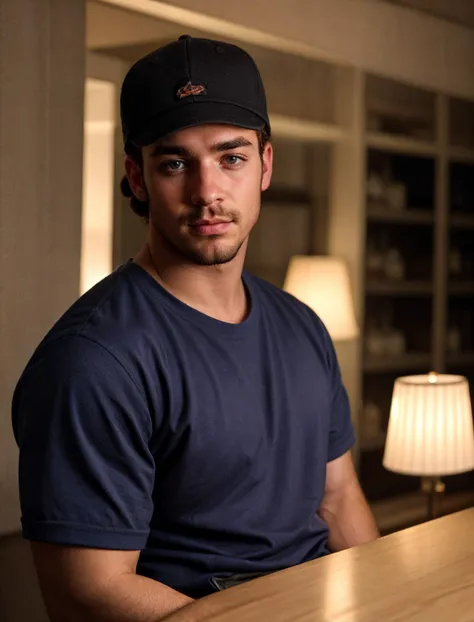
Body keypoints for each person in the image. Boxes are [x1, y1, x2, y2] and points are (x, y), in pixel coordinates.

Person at [12, 35, 379, 622]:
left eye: (230, 157)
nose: (207, 192)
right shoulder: (93, 361)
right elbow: (91, 591)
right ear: (136, 176)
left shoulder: (303, 327)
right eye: (176, 162)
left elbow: (337, 500)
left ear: (265, 164)